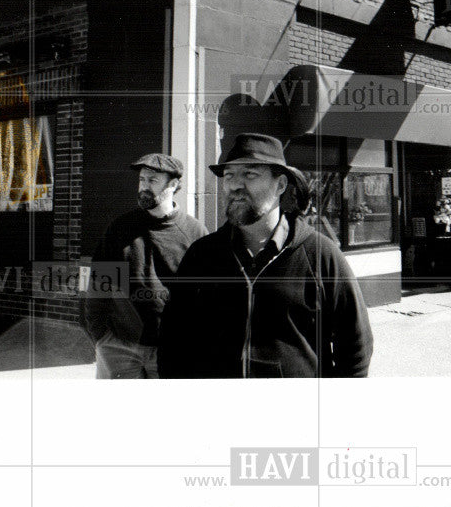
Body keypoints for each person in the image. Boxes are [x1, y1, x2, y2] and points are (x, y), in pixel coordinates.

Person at [160, 133, 373, 378]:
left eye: (250, 174)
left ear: (280, 185)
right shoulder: (202, 255)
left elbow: (356, 347)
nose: (235, 185)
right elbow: (173, 339)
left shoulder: (320, 255)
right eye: (229, 176)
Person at [81, 153, 208, 378]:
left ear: (174, 184)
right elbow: (98, 284)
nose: (144, 187)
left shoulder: (194, 233)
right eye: (142, 180)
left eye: (152, 181)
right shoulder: (120, 228)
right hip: (119, 347)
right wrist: (100, 336)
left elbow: (206, 297)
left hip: (172, 350)